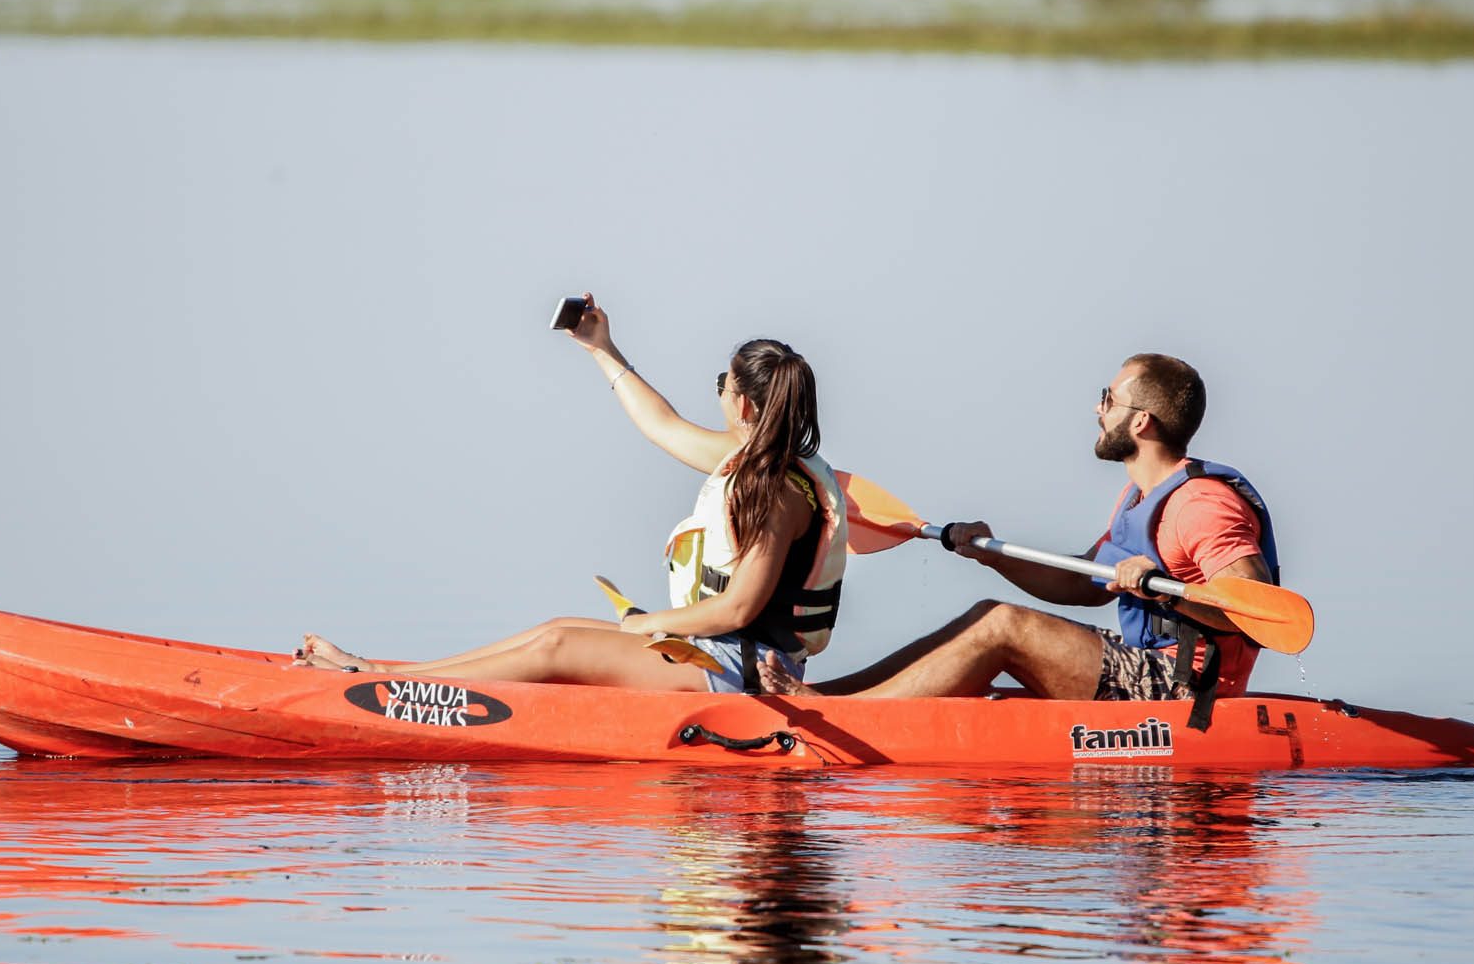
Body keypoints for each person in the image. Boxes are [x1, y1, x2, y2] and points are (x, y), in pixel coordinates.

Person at [296, 294, 847, 694]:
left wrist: (650, 622)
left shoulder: (776, 492)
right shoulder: (755, 466)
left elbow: (740, 605)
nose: (720, 396)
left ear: (744, 406)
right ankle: (385, 675)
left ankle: (379, 686)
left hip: (742, 672)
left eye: (721, 386)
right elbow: (661, 424)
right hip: (720, 655)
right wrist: (600, 348)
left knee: (554, 651)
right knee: (556, 628)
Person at [759, 353, 1277, 730]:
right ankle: (832, 699)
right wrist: (991, 554)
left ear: (1141, 421)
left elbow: (1257, 609)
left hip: (1186, 692)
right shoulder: (1141, 496)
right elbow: (1085, 583)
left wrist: (1158, 590)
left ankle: (844, 719)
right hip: (1150, 670)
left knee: (1002, 625)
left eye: (1108, 399)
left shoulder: (1202, 504)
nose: (1098, 410)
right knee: (988, 611)